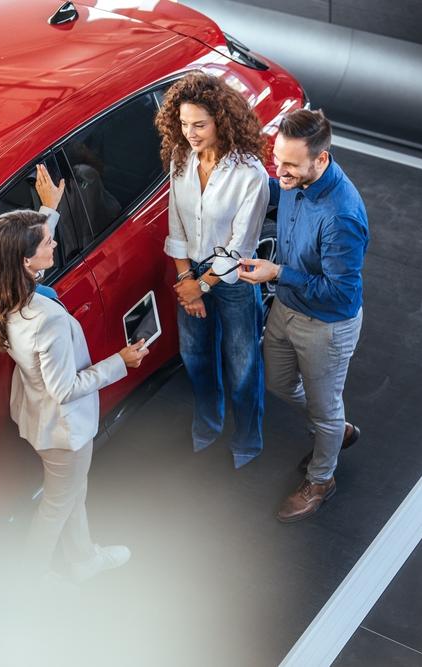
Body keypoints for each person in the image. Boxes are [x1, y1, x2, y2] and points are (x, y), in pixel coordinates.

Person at [0, 164, 149, 588]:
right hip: (64, 431)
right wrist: (120, 361)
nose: (55, 242)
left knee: (71, 492)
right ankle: (34, 581)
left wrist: (47, 210)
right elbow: (65, 388)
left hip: (41, 420)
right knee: (57, 504)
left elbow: (24, 244)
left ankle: (84, 558)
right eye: (48, 241)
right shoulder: (45, 319)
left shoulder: (4, 287)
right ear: (26, 261)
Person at [238, 109, 368, 522]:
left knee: (325, 409)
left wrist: (277, 273)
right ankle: (336, 431)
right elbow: (276, 192)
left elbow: (339, 292)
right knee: (277, 383)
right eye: (277, 159)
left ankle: (321, 478)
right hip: (287, 307)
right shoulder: (295, 180)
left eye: (290, 165)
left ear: (321, 159)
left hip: (327, 326)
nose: (280, 172)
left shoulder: (342, 215)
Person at [154, 71, 270, 468]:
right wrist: (185, 278)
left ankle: (247, 440)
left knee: (242, 367)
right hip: (192, 272)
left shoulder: (250, 173)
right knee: (195, 356)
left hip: (234, 280)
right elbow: (176, 224)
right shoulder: (181, 157)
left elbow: (240, 246)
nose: (190, 133)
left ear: (221, 120)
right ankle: (207, 425)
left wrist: (200, 287)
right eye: (184, 123)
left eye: (199, 124)